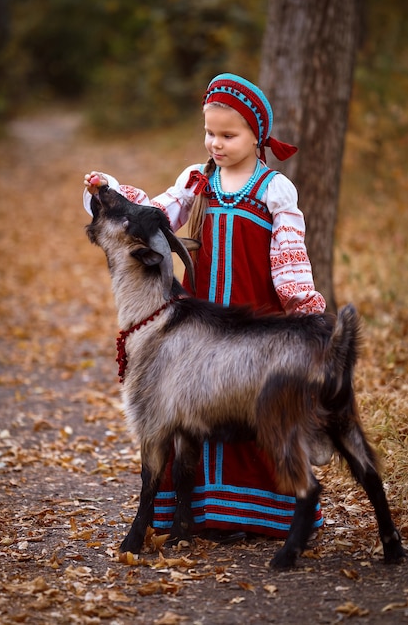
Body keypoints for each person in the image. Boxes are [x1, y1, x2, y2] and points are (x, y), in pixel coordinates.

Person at [83, 73, 326, 543]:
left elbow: (290, 259)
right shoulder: (198, 181)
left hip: (252, 317)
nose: (215, 143)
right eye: (209, 133)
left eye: (228, 135)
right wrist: (110, 189)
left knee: (252, 407)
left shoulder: (274, 188)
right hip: (198, 323)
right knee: (192, 407)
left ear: (257, 136)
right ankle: (197, 513)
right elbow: (151, 216)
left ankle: (256, 514)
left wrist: (306, 312)